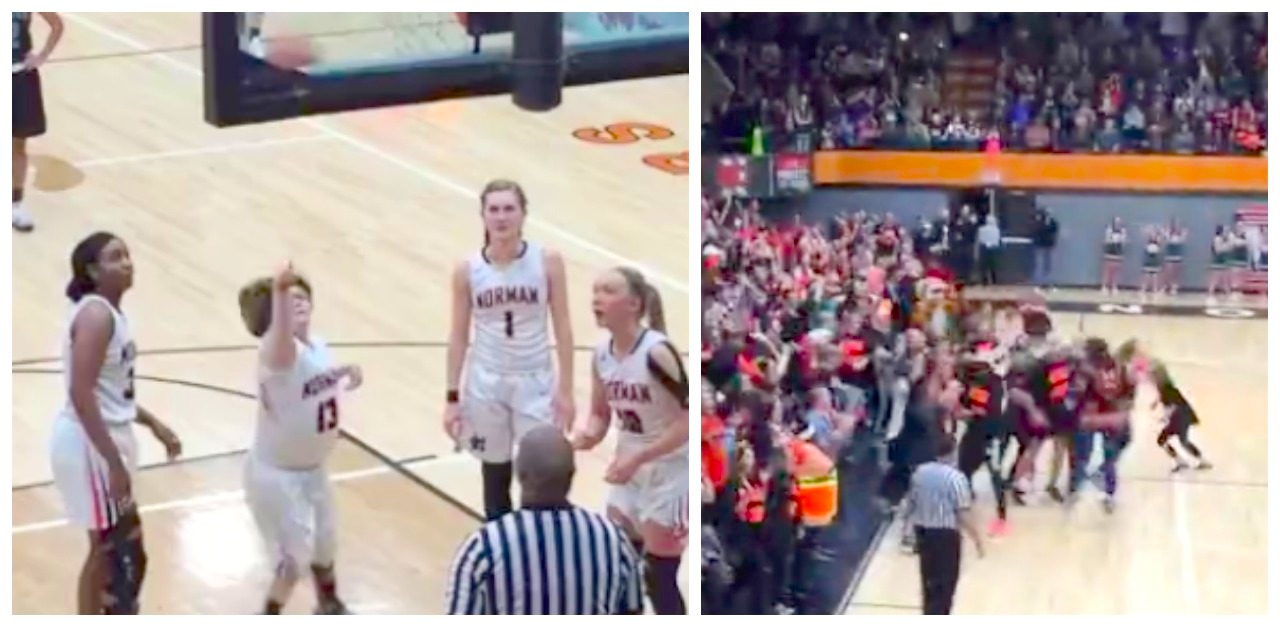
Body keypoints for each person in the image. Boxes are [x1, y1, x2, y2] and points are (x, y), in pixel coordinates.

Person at [49, 232, 183, 614]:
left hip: (104, 438)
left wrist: (153, 424)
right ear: (92, 270)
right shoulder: (95, 315)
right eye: (115, 257)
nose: (127, 262)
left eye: (127, 254)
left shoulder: (110, 314)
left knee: (118, 552)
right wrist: (112, 462)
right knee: (117, 556)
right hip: (90, 445)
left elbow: (111, 393)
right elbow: (81, 392)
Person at [444, 179, 576, 520]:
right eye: (494, 209)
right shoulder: (468, 270)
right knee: (495, 475)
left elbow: (563, 326)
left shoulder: (548, 261)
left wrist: (566, 390)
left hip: (535, 379)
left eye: (509, 209)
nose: (501, 217)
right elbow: (458, 336)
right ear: (483, 216)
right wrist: (451, 398)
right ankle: (501, 550)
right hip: (487, 381)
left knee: (542, 474)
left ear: (523, 214)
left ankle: (539, 550)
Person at [237, 263, 361, 614]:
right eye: (289, 301)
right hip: (276, 475)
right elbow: (286, 354)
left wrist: (347, 371)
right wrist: (278, 288)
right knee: (292, 561)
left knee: (325, 543)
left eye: (303, 296)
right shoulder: (276, 353)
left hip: (313, 467)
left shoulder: (317, 345)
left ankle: (329, 604)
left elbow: (315, 383)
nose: (300, 302)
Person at [572, 267, 689, 615]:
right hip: (630, 471)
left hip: (670, 472)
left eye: (607, 291)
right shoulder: (601, 354)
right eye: (595, 290)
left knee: (658, 576)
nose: (597, 298)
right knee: (618, 569)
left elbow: (688, 421)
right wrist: (583, 437)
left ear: (634, 304)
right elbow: (600, 415)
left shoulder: (657, 353)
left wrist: (639, 457)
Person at [445, 426, 644, 614]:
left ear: (519, 475)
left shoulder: (482, 548)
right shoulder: (614, 540)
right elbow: (632, 611)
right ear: (572, 474)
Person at [902, 434, 985, 615]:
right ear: (953, 452)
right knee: (946, 584)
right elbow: (963, 512)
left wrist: (906, 532)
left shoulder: (919, 472)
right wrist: (977, 540)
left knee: (928, 580)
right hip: (946, 535)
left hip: (923, 532)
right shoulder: (956, 478)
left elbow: (911, 503)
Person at [12, 12, 64, 232]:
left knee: (17, 144)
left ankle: (14, 204)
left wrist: (41, 56)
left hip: (19, 76)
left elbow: (57, 25)